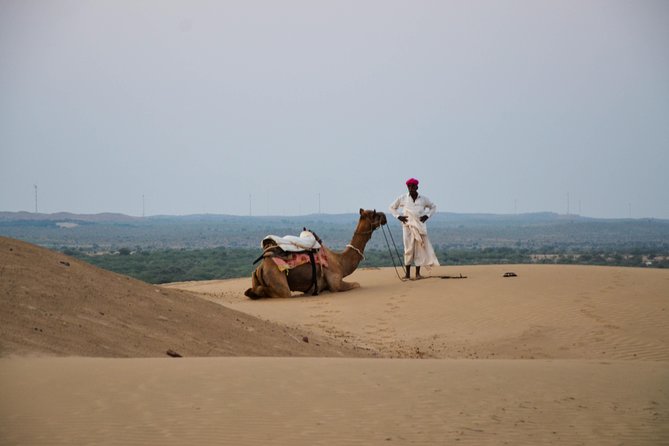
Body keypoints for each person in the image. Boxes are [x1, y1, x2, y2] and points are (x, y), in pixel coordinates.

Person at [389, 178, 440, 279]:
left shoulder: (423, 199)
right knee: (408, 249)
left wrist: (427, 216)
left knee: (419, 249)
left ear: (417, 187)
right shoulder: (403, 198)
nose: (411, 188)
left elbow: (433, 207)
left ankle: (417, 274)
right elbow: (391, 207)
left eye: (413, 186)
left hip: (420, 226)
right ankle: (407, 274)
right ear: (407, 187)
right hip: (407, 227)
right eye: (409, 186)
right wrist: (399, 216)